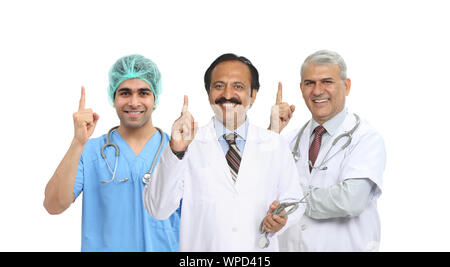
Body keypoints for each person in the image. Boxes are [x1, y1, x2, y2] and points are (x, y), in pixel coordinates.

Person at [143, 53, 304, 251]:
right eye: (219, 86)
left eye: (238, 86)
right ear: (208, 92)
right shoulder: (188, 145)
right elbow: (158, 209)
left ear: (253, 95)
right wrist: (176, 151)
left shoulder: (275, 144)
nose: (227, 94)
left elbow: (294, 200)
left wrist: (282, 219)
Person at [43, 54, 180, 252]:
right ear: (113, 98)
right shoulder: (90, 151)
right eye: (125, 93)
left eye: (143, 93)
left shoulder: (177, 152)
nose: (134, 102)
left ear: (155, 98)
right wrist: (77, 142)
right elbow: (53, 205)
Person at [271, 50, 386, 251]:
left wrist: (290, 199)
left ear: (346, 86)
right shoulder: (286, 141)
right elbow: (256, 189)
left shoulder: (366, 138)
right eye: (309, 83)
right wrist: (272, 132)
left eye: (327, 82)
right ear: (301, 88)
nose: (317, 91)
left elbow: (351, 200)